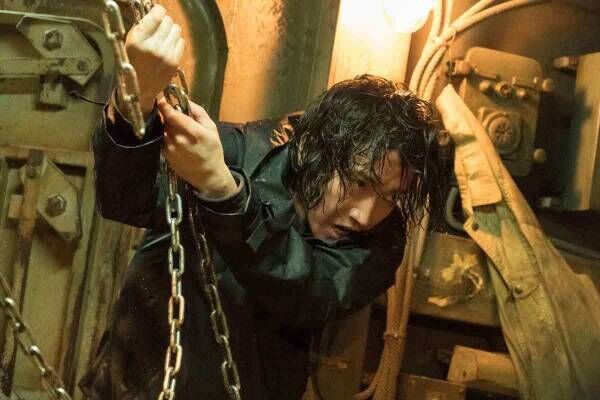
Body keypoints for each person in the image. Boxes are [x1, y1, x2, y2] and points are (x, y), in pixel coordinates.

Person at [80, 5, 445, 399]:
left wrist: (222, 191)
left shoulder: (380, 243)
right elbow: (123, 200)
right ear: (318, 151)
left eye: (391, 196)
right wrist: (135, 99)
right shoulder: (238, 154)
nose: (366, 214)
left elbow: (309, 293)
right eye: (358, 182)